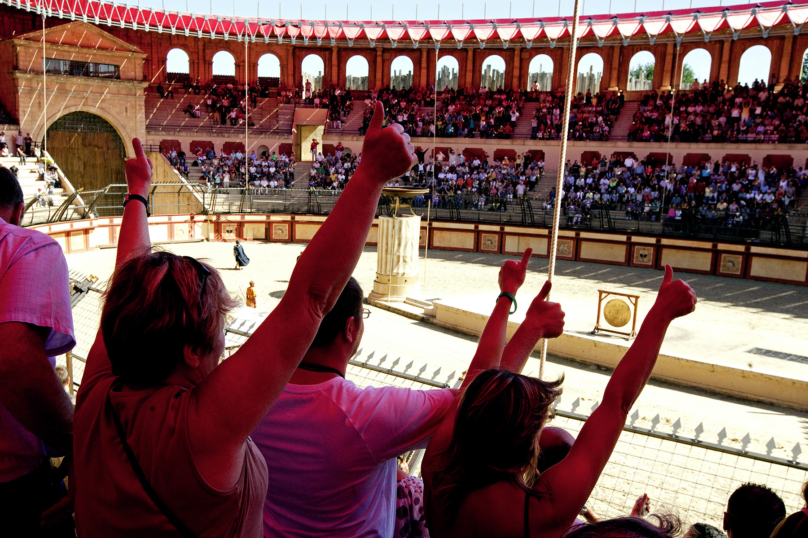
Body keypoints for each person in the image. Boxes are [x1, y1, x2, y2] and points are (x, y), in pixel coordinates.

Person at [73, 104, 415, 536]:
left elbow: (128, 279)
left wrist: (138, 193)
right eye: (218, 326)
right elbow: (310, 298)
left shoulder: (102, 386)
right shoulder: (198, 429)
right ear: (193, 352)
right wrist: (369, 177)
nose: (224, 340)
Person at [423, 264, 697, 538]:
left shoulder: (439, 460)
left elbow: (480, 378)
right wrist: (661, 315)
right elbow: (618, 403)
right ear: (526, 447)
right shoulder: (537, 514)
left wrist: (523, 316)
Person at [252, 276, 455, 537]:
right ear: (350, 329)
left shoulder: (254, 395)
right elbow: (476, 398)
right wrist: (508, 299)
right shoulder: (365, 414)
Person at [0, 167, 76, 536]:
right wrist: (79, 443)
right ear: (19, 210)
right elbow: (14, 362)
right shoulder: (25, 246)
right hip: (12, 485)